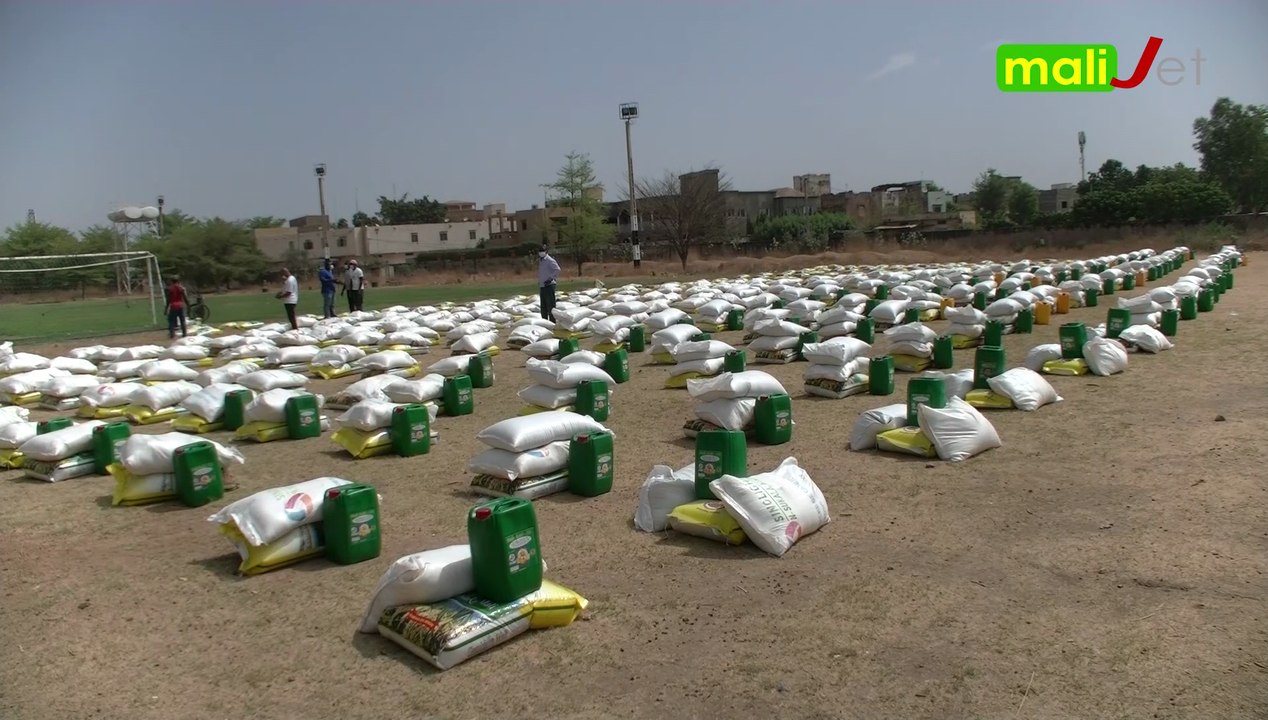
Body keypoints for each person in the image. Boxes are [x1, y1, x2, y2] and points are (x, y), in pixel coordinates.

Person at [537, 245, 560, 321]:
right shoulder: (541, 260)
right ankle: (545, 321)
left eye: (542, 251)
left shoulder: (550, 260)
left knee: (550, 305)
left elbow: (557, 269)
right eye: (540, 251)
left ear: (546, 251)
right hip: (542, 286)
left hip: (549, 285)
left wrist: (550, 279)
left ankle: (553, 322)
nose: (541, 253)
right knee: (543, 306)